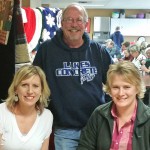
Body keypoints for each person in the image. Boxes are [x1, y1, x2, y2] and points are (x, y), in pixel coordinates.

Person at [33, 3, 112, 150]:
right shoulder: (46, 50)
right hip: (64, 129)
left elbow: (115, 84)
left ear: (86, 24)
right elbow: (34, 83)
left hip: (97, 127)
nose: (74, 24)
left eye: (79, 20)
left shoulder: (99, 51)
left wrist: (106, 108)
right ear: (62, 23)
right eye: (69, 19)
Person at [77, 61, 150, 150]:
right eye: (115, 87)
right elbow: (85, 146)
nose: (121, 93)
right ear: (109, 89)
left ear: (137, 88)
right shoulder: (98, 114)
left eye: (126, 87)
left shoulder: (148, 118)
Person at [0, 65, 53, 150]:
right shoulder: (1, 111)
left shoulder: (47, 116)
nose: (30, 91)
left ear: (41, 90)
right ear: (16, 88)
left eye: (35, 86)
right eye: (24, 85)